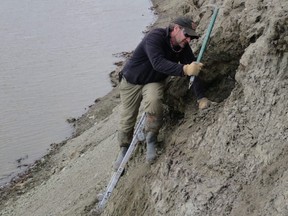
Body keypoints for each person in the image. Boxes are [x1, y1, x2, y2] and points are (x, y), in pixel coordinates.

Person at [114, 16, 211, 170]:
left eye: (192, 38)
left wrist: (201, 97)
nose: (189, 40)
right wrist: (184, 69)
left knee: (154, 102)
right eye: (187, 36)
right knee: (127, 117)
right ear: (177, 29)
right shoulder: (155, 37)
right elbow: (157, 63)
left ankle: (151, 138)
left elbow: (194, 70)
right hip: (131, 81)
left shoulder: (183, 47)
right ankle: (124, 147)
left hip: (153, 81)